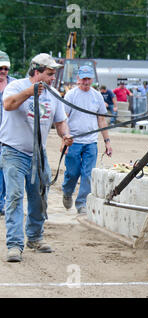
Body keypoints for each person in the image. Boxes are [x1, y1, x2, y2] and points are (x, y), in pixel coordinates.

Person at [0, 53, 73, 262]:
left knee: (39, 197)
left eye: (54, 74)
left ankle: (34, 236)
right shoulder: (16, 87)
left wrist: (65, 135)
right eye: (49, 74)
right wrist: (30, 92)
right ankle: (14, 244)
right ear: (36, 71)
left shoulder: (53, 94)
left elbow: (60, 121)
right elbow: (9, 104)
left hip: (38, 154)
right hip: (14, 151)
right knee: (14, 198)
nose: (53, 78)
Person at [62, 66, 112, 215]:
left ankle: (82, 203)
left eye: (88, 78)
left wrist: (107, 141)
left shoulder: (97, 97)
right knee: (72, 172)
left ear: (92, 79)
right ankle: (67, 191)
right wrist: (64, 139)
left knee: (87, 174)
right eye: (83, 78)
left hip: (91, 142)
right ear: (78, 78)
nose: (86, 81)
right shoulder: (70, 96)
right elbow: (64, 119)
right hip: (74, 141)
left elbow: (101, 120)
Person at [0, 51, 15, 217]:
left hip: (9, 135)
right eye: (0, 68)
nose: (3, 71)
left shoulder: (15, 86)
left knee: (5, 170)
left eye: (6, 68)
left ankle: (2, 202)